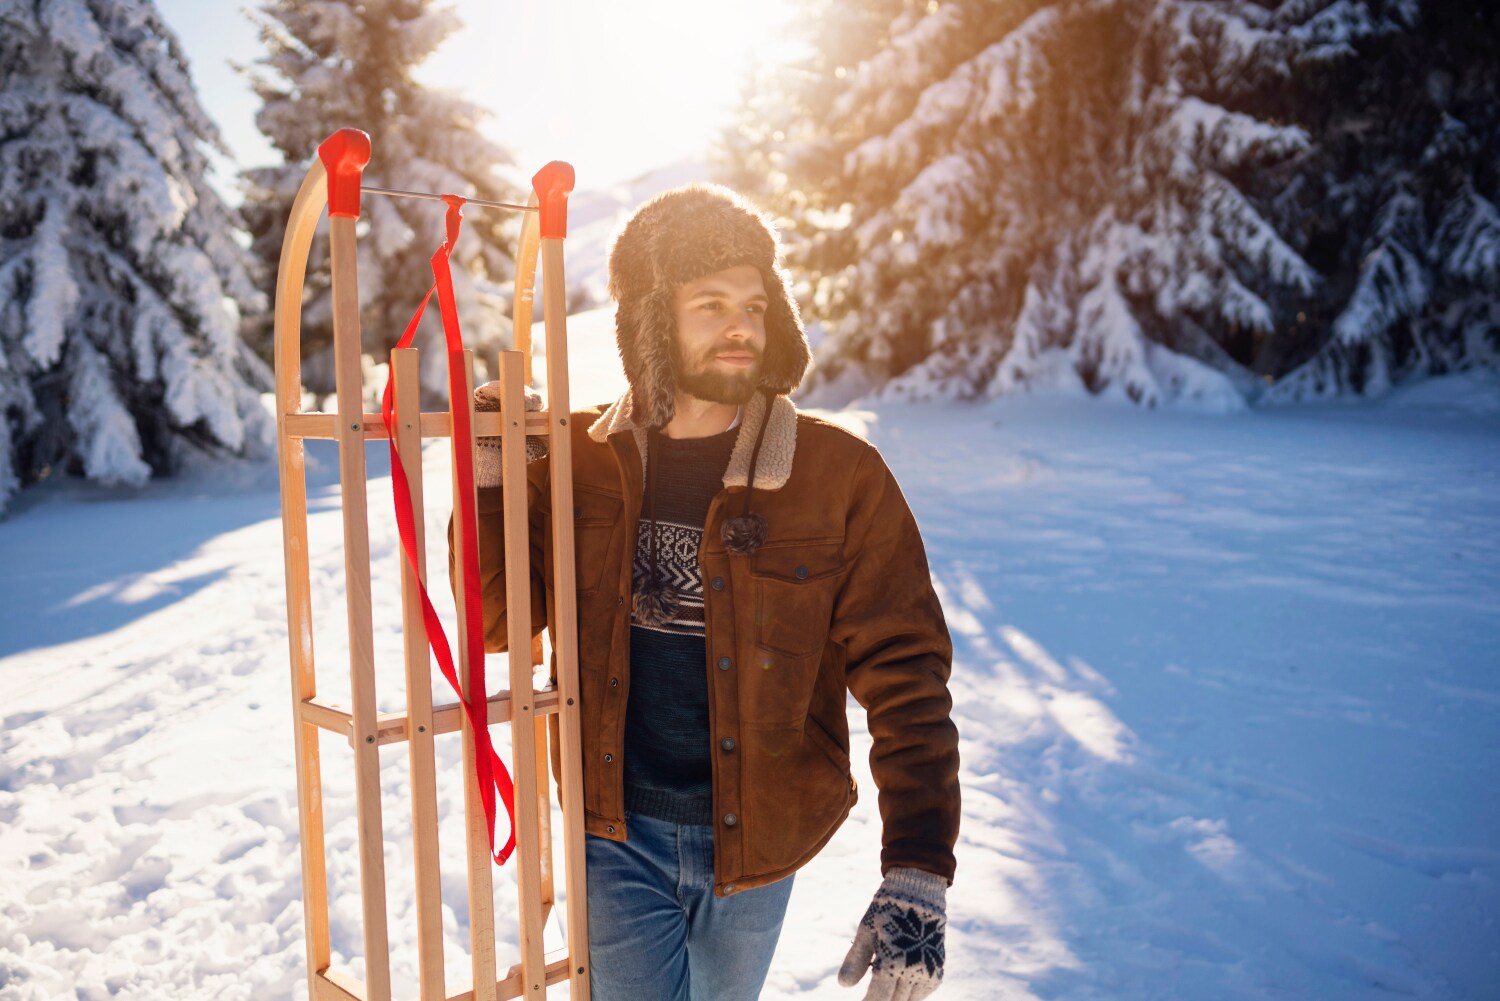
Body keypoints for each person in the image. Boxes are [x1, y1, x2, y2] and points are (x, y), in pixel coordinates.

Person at [454, 184, 960, 1001]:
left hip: (761, 838)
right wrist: (492, 472)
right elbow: (497, 618)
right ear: (651, 321)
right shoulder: (583, 459)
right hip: (612, 832)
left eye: (756, 306)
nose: (741, 327)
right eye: (711, 303)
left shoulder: (837, 476)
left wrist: (918, 869)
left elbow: (906, 672)